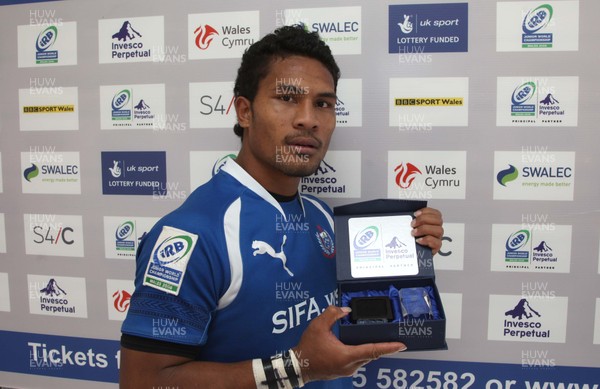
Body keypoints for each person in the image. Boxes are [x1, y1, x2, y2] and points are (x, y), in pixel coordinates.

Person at [119, 25, 444, 388]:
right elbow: (144, 382)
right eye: (288, 99)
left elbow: (359, 302)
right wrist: (297, 367)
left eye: (323, 103)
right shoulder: (193, 234)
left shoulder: (321, 215)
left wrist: (411, 247)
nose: (309, 119)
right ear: (244, 111)